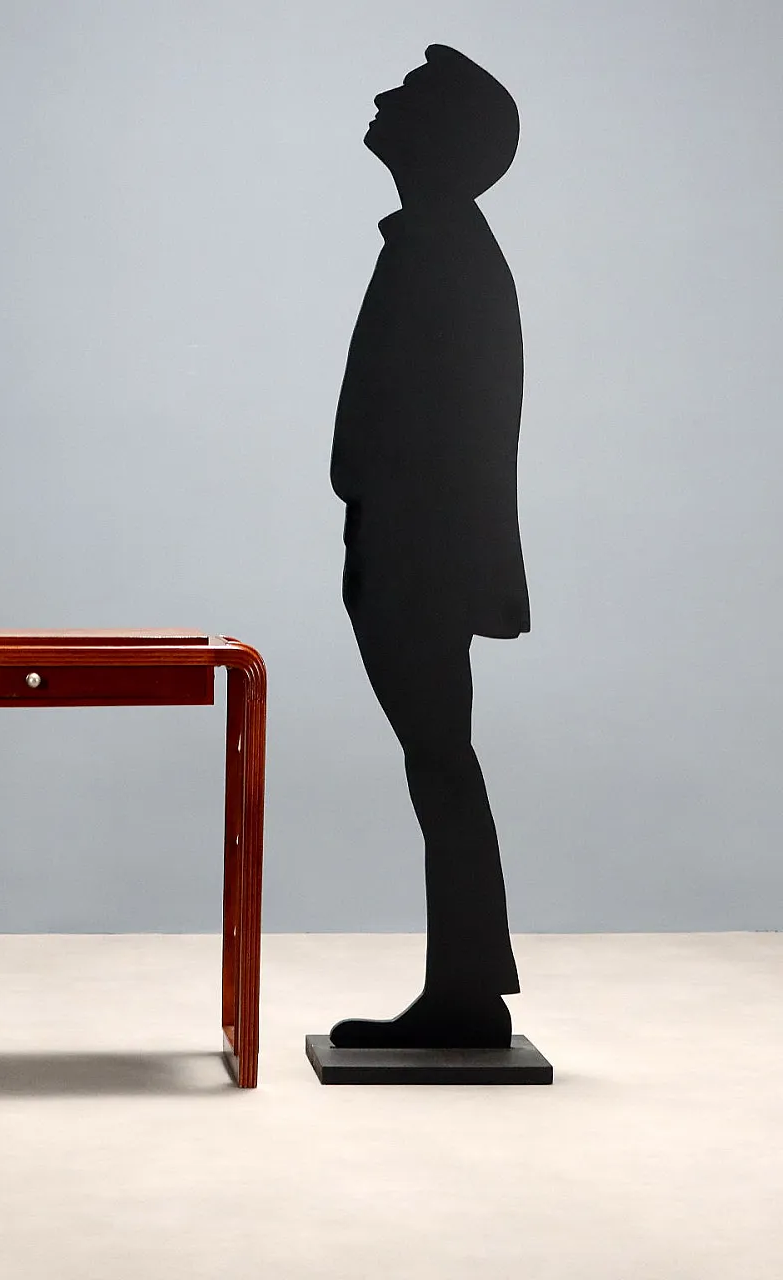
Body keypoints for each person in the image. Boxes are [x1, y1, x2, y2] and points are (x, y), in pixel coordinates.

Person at [329, 45, 528, 1049]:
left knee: (439, 760)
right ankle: (466, 981)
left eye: (404, 95)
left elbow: (461, 427)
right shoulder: (436, 243)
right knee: (438, 759)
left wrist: (403, 545)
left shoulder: (442, 249)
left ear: (440, 137)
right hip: (408, 545)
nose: (379, 98)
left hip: (417, 552)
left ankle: (465, 990)